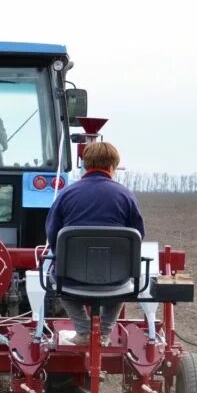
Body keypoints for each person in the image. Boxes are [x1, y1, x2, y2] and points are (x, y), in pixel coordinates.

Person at [45, 141, 145, 346]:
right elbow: (138, 236)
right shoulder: (126, 196)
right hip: (115, 279)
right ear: (112, 167)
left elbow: (52, 234)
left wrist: (62, 259)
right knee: (125, 284)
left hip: (71, 280)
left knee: (54, 278)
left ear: (86, 164)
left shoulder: (66, 194)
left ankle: (83, 331)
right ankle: (104, 332)